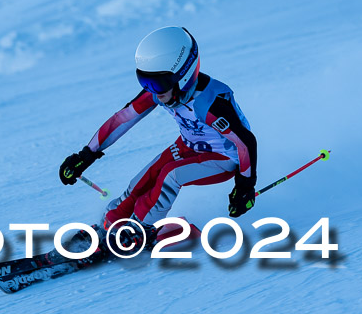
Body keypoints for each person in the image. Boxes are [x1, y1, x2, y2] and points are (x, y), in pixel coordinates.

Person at [59, 26, 258, 251]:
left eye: (157, 84)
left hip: (225, 157)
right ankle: (114, 221)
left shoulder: (208, 104)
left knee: (169, 175)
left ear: (184, 76)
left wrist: (244, 186)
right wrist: (86, 155)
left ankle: (140, 228)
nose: (153, 92)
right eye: (144, 81)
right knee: (147, 175)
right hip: (189, 145)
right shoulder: (162, 90)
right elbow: (122, 119)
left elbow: (245, 142)